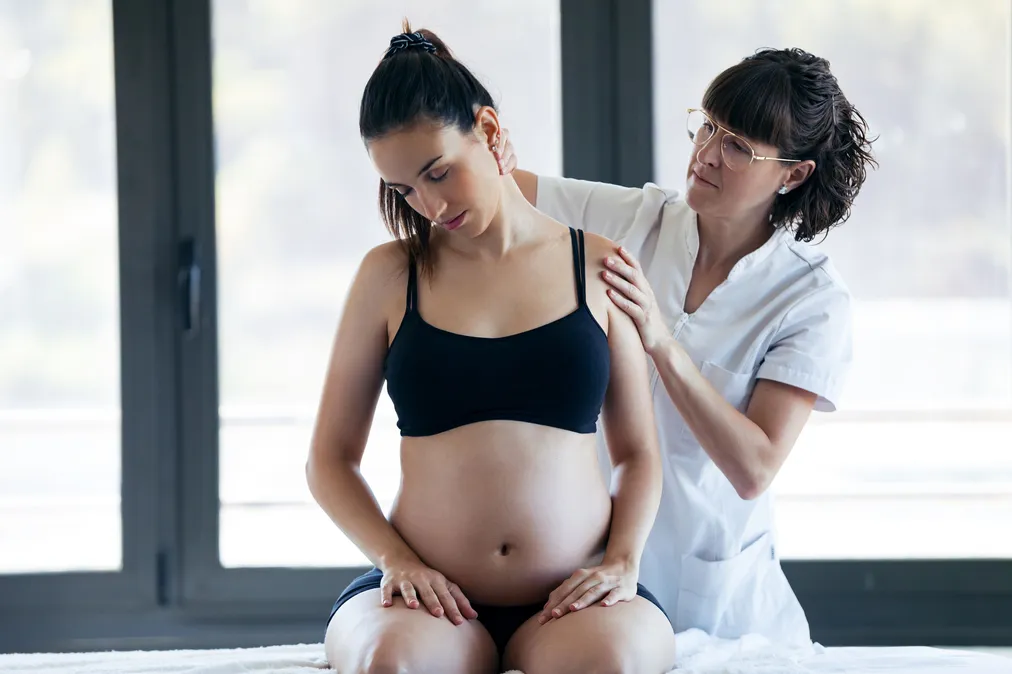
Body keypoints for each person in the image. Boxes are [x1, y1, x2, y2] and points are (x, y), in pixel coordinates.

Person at [305, 24, 677, 674]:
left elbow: (638, 454)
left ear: (489, 129)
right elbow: (329, 461)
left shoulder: (598, 266)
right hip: (427, 600)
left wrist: (623, 560)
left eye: (438, 172)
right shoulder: (388, 276)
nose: (429, 204)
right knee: (389, 664)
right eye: (404, 190)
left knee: (613, 664)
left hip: (572, 598)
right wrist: (397, 562)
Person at [501, 47, 876, 646]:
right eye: (707, 126)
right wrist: (480, 135)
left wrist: (659, 339)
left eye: (738, 146)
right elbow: (496, 188)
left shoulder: (810, 298)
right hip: (595, 583)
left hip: (720, 606)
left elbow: (754, 467)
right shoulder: (639, 218)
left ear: (793, 174)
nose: (706, 154)